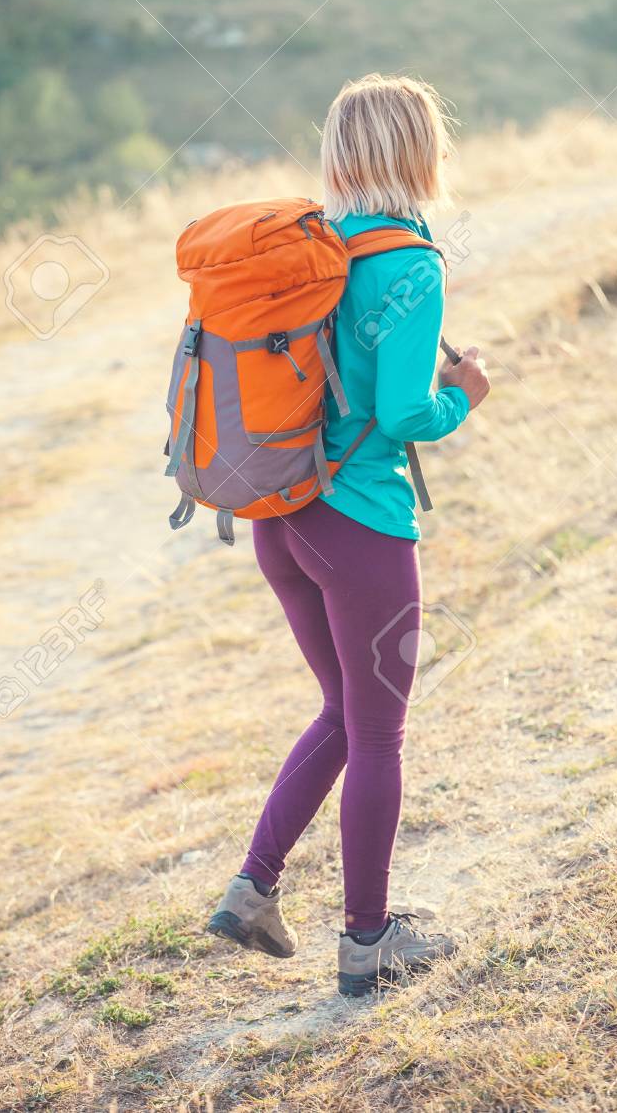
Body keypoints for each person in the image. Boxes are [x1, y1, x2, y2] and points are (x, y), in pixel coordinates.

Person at [207, 73, 490, 996]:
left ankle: (253, 890)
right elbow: (407, 410)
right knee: (378, 736)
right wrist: (465, 397)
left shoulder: (309, 254)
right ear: (421, 153)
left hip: (282, 523)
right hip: (360, 526)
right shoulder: (410, 263)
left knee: (342, 715)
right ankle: (369, 943)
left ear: (339, 157)